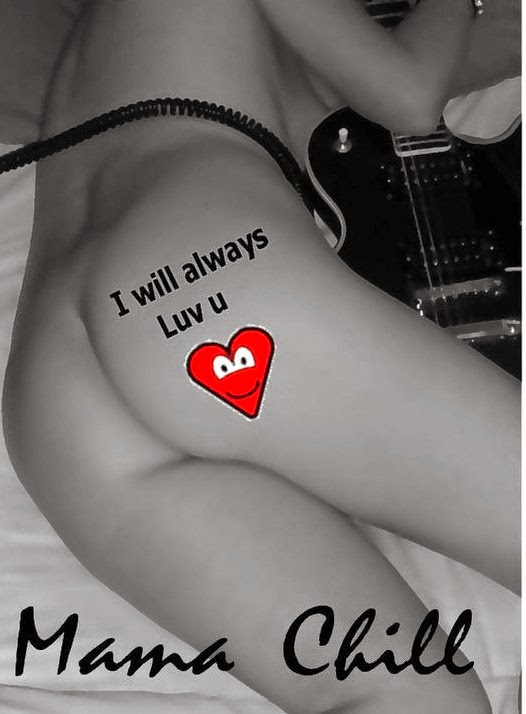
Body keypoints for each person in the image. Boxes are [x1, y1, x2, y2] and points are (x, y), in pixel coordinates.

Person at [2, 1, 519, 713]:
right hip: (200, 278)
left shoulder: (122, 40)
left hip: (60, 387)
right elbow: (404, 94)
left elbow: (372, 83)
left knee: (407, 698)